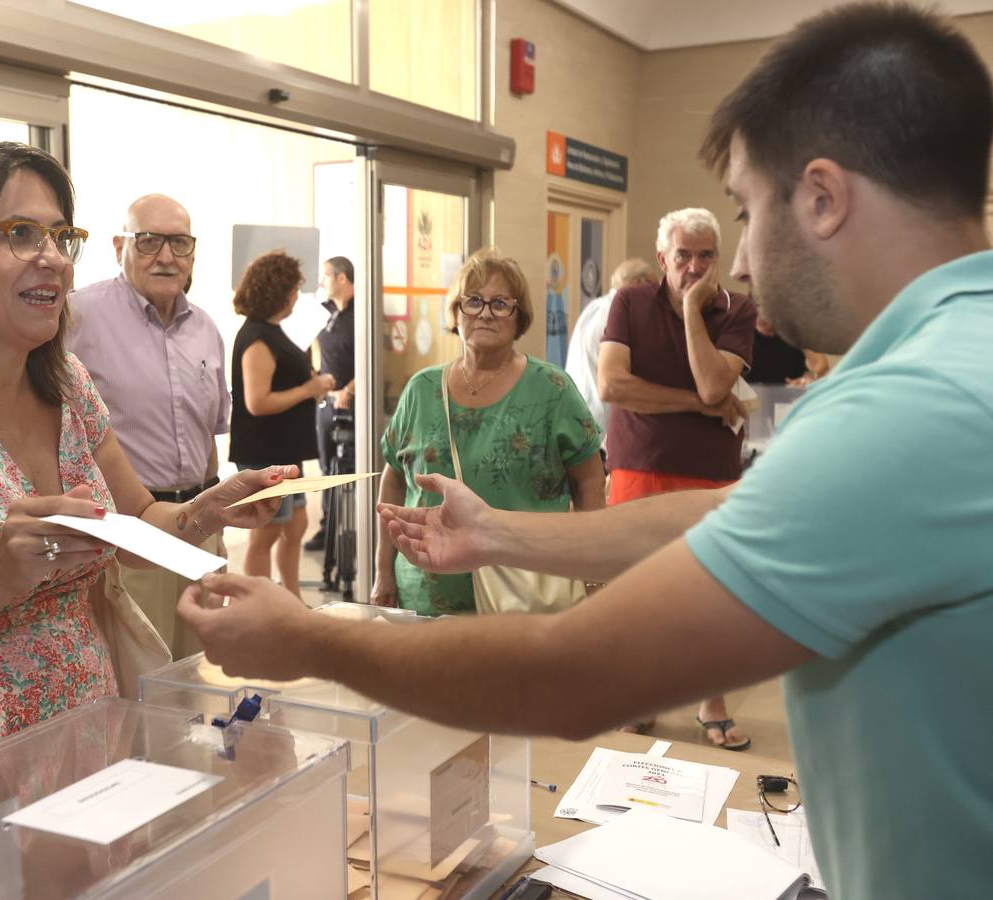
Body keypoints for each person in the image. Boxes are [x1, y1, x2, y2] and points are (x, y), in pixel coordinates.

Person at [178, 4, 993, 896]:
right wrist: (498, 535)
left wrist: (311, 640)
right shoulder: (958, 357)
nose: (745, 267)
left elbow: (569, 678)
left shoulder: (915, 405)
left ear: (825, 198)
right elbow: (732, 514)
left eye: (748, 212)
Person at [0, 143, 292, 804]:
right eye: (18, 233)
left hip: (79, 732)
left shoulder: (67, 386)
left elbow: (139, 518)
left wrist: (203, 513)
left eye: (58, 235)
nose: (49, 255)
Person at [598, 207, 757, 749]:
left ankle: (710, 698)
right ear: (662, 256)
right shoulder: (627, 303)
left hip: (710, 473)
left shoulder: (737, 309)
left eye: (705, 255)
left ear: (717, 260)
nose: (693, 266)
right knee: (637, 590)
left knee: (709, 591)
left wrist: (692, 310)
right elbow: (614, 386)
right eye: (682, 255)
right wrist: (697, 406)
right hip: (638, 465)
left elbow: (717, 386)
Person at [372, 249, 605, 614]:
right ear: (456, 312)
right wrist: (382, 571)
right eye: (474, 301)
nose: (485, 312)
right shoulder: (421, 389)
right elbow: (395, 480)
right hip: (425, 593)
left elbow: (590, 483)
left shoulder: (552, 390)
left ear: (519, 316)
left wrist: (594, 576)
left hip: (525, 594)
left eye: (500, 303)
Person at [65, 195, 229, 659]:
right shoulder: (78, 316)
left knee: (199, 674)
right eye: (149, 241)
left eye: (179, 243)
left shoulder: (206, 329)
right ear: (120, 245)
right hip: (127, 537)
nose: (165, 256)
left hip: (198, 527)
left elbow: (208, 439)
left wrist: (214, 533)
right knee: (139, 681)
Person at [229, 250, 335, 597]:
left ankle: (291, 598)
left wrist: (312, 386)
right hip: (265, 452)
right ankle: (258, 606)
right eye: (293, 290)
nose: (295, 297)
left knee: (295, 524)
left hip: (285, 450)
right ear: (278, 293)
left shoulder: (272, 331)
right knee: (267, 532)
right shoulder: (257, 337)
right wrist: (308, 388)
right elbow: (257, 402)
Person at [563, 258, 657, 440]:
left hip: (576, 413)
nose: (655, 296)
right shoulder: (619, 316)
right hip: (600, 425)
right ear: (638, 284)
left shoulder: (594, 307)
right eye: (653, 287)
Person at [304, 256, 357, 553]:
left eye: (326, 276)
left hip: (355, 401)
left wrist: (349, 390)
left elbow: (372, 358)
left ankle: (357, 530)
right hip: (326, 400)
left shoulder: (363, 312)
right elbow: (299, 345)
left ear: (341, 278)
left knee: (354, 467)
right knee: (327, 467)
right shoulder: (321, 312)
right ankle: (327, 530)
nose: (322, 282)